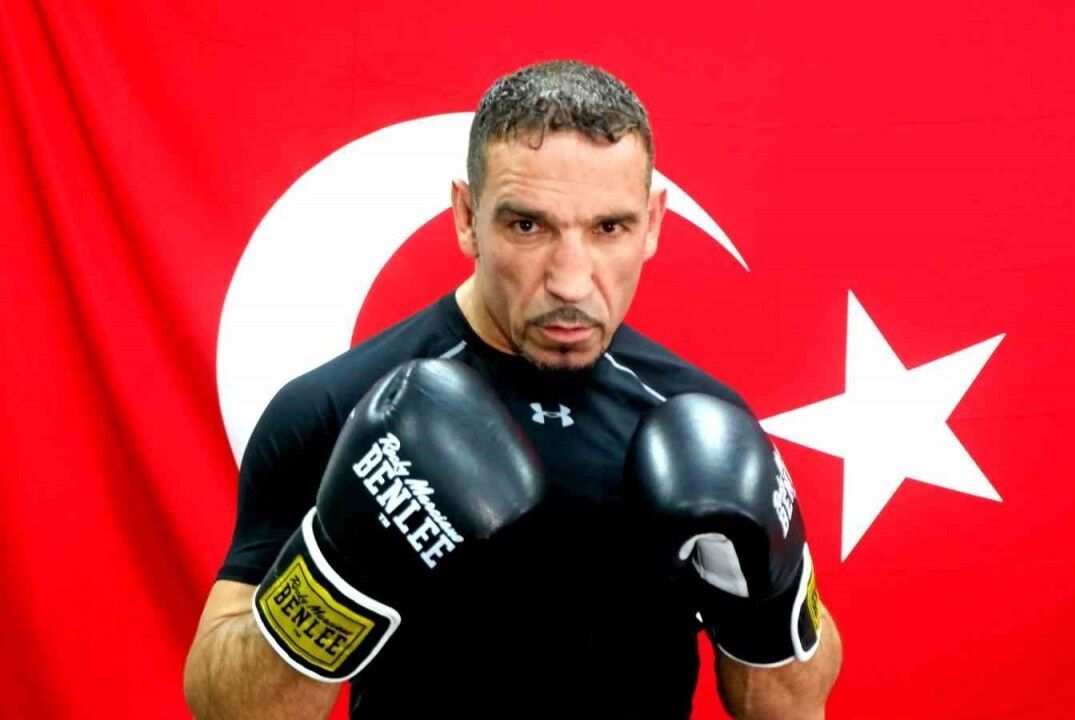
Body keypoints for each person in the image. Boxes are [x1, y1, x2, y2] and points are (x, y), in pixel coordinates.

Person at [184, 59, 843, 719]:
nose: (570, 280)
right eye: (528, 226)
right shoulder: (335, 407)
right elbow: (227, 710)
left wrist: (776, 588)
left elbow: (792, 708)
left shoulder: (700, 425)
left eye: (608, 228)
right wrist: (336, 573)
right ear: (467, 216)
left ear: (652, 224)